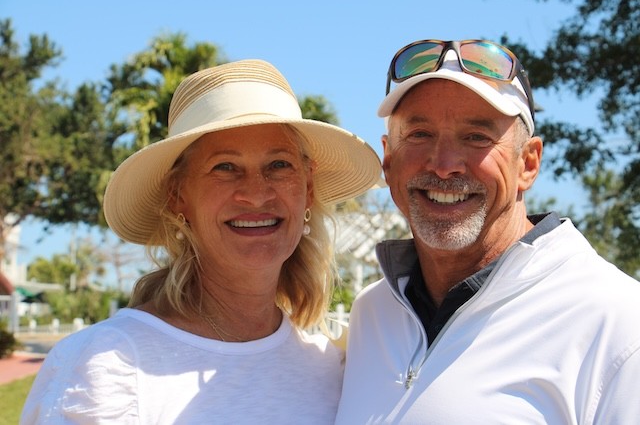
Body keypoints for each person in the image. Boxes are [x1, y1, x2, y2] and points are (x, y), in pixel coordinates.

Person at [21, 59, 382, 424]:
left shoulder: (330, 369)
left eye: (278, 165)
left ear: (307, 188)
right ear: (178, 196)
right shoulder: (108, 366)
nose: (256, 194)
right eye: (225, 167)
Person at [336, 39, 640, 424]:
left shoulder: (617, 323)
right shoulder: (372, 313)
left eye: (476, 137)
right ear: (388, 159)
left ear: (528, 164)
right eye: (419, 134)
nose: (444, 164)